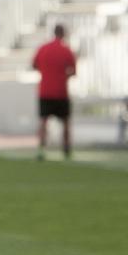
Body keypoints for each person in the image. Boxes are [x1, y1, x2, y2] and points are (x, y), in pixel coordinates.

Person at [32, 24, 77, 160]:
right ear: (63, 34)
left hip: (45, 91)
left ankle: (41, 149)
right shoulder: (67, 50)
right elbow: (73, 71)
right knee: (65, 122)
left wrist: (46, 72)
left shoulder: (43, 48)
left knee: (43, 121)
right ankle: (66, 149)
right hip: (61, 92)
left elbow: (34, 65)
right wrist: (62, 76)